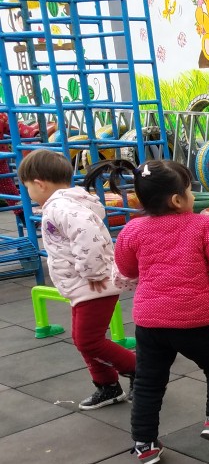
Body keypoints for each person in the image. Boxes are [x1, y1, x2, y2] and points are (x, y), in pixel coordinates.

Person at [114, 161, 209, 464]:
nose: (191, 195)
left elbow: (126, 269)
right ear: (177, 200)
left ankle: (144, 441)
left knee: (148, 381)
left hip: (149, 322)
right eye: (189, 191)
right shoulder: (203, 227)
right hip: (191, 321)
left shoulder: (132, 229)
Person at [19, 150, 135, 409]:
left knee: (88, 340)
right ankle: (107, 386)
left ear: (39, 183)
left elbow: (87, 235)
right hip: (82, 285)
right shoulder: (65, 204)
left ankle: (140, 370)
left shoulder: (62, 207)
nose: (28, 192)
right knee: (84, 340)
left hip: (93, 283)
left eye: (27, 187)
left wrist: (93, 272)